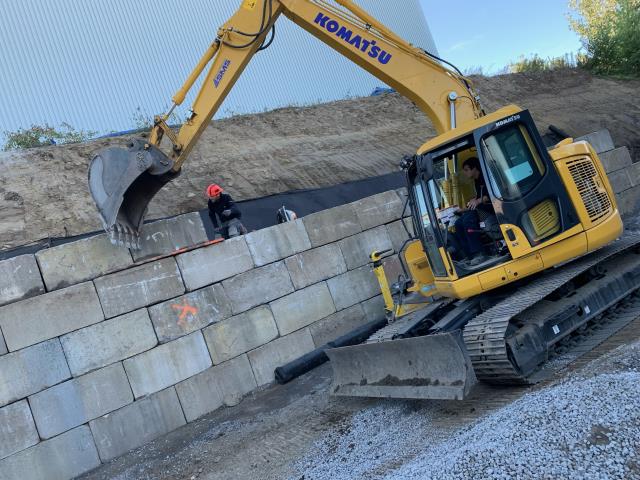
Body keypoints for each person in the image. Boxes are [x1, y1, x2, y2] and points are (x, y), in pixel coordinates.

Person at [451, 157, 496, 266]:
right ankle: (469, 255)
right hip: (481, 208)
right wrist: (462, 209)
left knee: (468, 220)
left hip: (491, 208)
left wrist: (477, 200)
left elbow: (490, 193)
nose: (465, 173)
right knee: (458, 223)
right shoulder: (476, 181)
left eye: (466, 170)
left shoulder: (486, 176)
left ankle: (479, 253)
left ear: (474, 168)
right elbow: (479, 197)